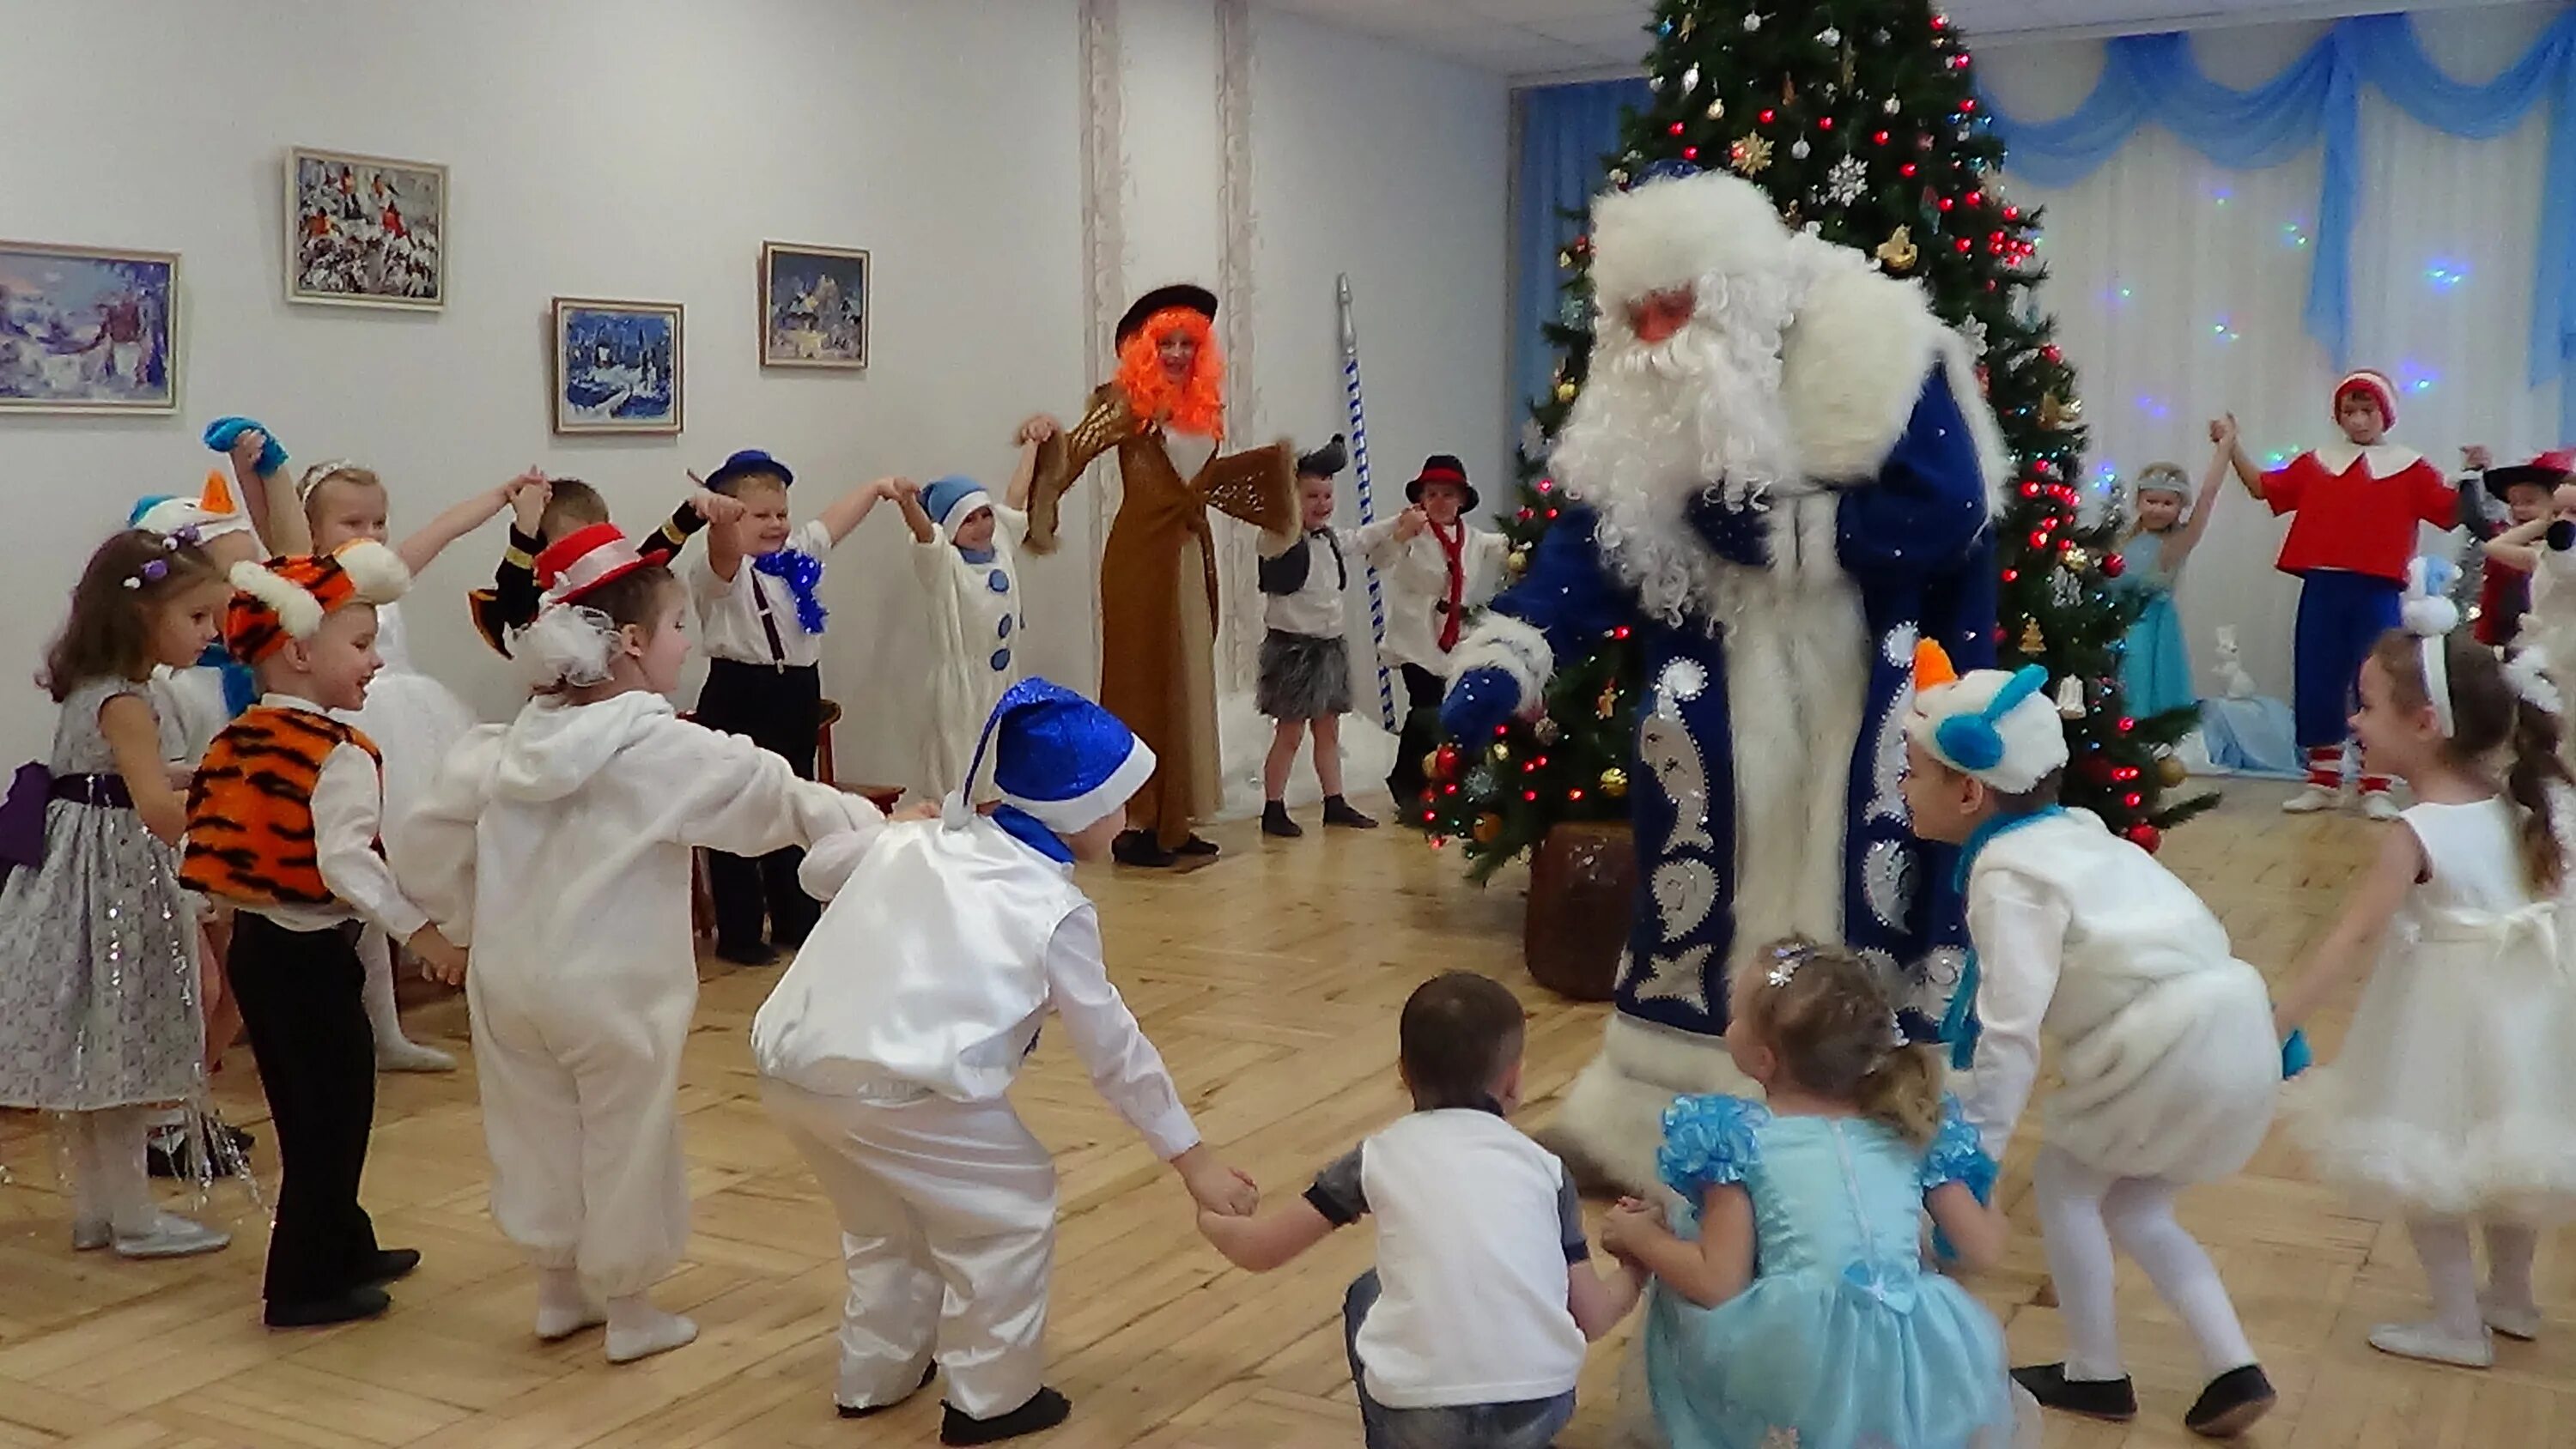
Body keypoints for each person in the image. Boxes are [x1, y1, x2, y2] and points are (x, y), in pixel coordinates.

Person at [1439, 167, 2002, 1197]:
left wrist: (1799, 533)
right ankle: (1659, 1118)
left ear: (1730, 297)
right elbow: (1594, 537)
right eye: (1633, 314)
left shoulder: (1876, 347)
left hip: (1862, 682)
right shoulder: (1645, 390)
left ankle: (1867, 1152)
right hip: (1708, 689)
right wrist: (1514, 645)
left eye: (1673, 308)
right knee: (1693, 897)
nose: (1655, 336)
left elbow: (1950, 511)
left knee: (1858, 902)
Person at [391, 524, 884, 1363]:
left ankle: (557, 1289)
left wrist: (459, 920)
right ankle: (630, 1306)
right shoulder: (664, 749)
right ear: (630, 643)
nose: (690, 641)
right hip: (615, 982)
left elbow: (422, 837)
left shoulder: (506, 744)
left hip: (510, 979)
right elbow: (780, 794)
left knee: (533, 1125)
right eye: (682, 625)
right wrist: (881, 839)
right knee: (629, 1132)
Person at [751, 676, 1255, 1443]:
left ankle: (874, 1372)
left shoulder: (923, 837)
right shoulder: (1051, 908)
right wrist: (1194, 1161)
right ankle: (993, 1398)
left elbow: (814, 872)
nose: (1127, 821)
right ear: (1079, 810)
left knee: (882, 1222)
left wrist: (895, 828)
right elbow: (1114, 1049)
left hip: (792, 1068)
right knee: (1007, 1211)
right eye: (1118, 804)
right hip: (902, 1087)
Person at [1902, 641, 2280, 1435]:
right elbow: (2185, 926)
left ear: (1969, 789)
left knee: (2067, 1185)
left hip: (2163, 1046)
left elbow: (2007, 1034)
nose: (1902, 787)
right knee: (2140, 1208)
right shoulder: (2077, 833)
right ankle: (2231, 1365)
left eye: (1913, 770)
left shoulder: (2010, 875)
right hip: (2236, 1030)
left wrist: (1973, 1159)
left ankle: (2096, 1371)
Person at [2273, 579, 2576, 1367]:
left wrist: (2271, 1025)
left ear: (2425, 723)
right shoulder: (2528, 801)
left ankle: (2454, 1326)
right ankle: (2511, 1298)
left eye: (2366, 707)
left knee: (2426, 1162)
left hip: (2439, 1021)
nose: (2353, 721)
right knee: (2506, 1150)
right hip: (2525, 1016)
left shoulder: (2417, 830)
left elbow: (2349, 941)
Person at [1597, 940, 2032, 1449]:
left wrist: (1640, 1237)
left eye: (1734, 1015)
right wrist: (1988, 1183)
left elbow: (1718, 1282)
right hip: (1914, 1351)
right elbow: (1984, 1249)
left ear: (1762, 1060)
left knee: (1681, 1270)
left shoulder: (1738, 1139)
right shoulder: (1911, 1127)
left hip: (1796, 1353)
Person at [181, 542, 458, 1328]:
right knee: (331, 1115)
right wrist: (425, 934)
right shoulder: (335, 753)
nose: (375, 663)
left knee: (314, 1109)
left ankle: (344, 1240)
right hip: (305, 957)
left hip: (262, 955)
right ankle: (301, 1283)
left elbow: (209, 843)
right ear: (300, 652)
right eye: (361, 646)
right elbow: (348, 866)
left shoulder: (235, 740)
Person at [1194, 970, 1635, 1449]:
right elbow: (1592, 1318)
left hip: (1423, 1417)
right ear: (1512, 1082)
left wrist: (1212, 1218)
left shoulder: (1377, 1155)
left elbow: (1260, 1251)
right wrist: (1638, 1263)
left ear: (1403, 1073)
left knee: (1367, 1293)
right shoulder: (1547, 1170)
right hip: (1538, 1404)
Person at [0, 530, 235, 1259]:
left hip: (78, 871)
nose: (213, 634)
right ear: (142, 616)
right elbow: (154, 810)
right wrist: (227, 813)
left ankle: (101, 1210)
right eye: (198, 618)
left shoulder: (94, 690)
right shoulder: (130, 702)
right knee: (128, 1043)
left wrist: (196, 774)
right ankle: (132, 1216)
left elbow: (117, 778)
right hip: (117, 882)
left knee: (102, 1047)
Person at [1021, 282, 1300, 867]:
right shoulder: (1125, 402)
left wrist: (1270, 486)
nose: (1176, 354)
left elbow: (1201, 476)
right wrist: (1042, 446)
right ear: (1145, 348)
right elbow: (1071, 455)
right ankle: (1135, 824)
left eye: (1186, 343)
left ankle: (1175, 822)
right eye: (1165, 343)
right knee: (1141, 684)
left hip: (1186, 553)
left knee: (1189, 679)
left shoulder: (1200, 408)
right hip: (1139, 560)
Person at [298, 458, 534, 1073]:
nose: (370, 534)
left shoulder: (385, 578)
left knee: (443, 855)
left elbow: (444, 530)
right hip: (359, 731)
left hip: (414, 726)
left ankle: (462, 997)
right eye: (351, 521)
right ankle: (381, 1027)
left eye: (378, 522)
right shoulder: (313, 587)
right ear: (312, 531)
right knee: (370, 876)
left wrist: (500, 494)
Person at [683, 449, 893, 965]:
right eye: (760, 515)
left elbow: (833, 522)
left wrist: (877, 486)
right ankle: (739, 930)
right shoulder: (720, 573)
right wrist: (718, 520)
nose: (776, 524)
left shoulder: (798, 554)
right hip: (741, 691)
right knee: (739, 807)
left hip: (796, 692)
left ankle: (797, 917)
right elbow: (722, 550)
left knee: (795, 802)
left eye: (781, 512)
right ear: (731, 516)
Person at [2221, 373, 2462, 818]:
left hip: (2378, 588)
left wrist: (2476, 473)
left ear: (2384, 413)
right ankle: (2323, 778)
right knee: (2317, 677)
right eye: (2349, 412)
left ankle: (2377, 782)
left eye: (2367, 410)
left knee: (2378, 680)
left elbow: (2452, 509)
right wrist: (2232, 445)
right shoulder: (2318, 462)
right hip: (2323, 584)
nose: (2358, 419)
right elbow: (2263, 487)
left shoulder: (2409, 465)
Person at [888, 443, 1036, 802]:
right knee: (962, 767)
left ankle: (991, 830)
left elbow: (1016, 498)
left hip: (1001, 680)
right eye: (968, 519)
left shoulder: (1000, 545)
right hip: (961, 689)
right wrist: (908, 503)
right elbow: (926, 535)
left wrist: (1033, 444)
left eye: (985, 514)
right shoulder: (944, 566)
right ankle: (956, 833)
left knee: (1000, 764)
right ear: (951, 526)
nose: (982, 525)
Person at [1255, 434, 1383, 837]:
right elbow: (1274, 527)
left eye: (1327, 495)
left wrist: (1400, 526)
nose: (1323, 504)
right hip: (1293, 651)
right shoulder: (1278, 539)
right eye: (1312, 495)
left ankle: (1335, 801)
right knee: (1290, 733)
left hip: (1329, 648)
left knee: (1328, 729)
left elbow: (1361, 539)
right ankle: (1273, 807)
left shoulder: (1330, 539)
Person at [468, 475, 744, 655]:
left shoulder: (614, 579)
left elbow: (654, 550)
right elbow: (513, 601)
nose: (591, 555)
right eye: (574, 546)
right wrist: (525, 530)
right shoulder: (539, 600)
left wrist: (693, 512)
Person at [1376, 454, 1510, 809]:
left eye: (1447, 494)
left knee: (1451, 707)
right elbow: (1381, 559)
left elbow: (1507, 546)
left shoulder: (1474, 538)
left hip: (1454, 638)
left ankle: (1445, 778)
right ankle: (1406, 781)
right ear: (1420, 499)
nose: (1439, 501)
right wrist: (1401, 534)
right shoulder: (1412, 535)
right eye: (1431, 493)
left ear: (1462, 500)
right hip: (1416, 637)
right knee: (1425, 707)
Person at [2117, 429, 2228, 722]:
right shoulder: (2120, 539)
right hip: (2113, 619)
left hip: (2149, 622)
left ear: (2180, 507)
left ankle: (2141, 729)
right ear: (2138, 501)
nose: (2158, 509)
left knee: (2139, 672)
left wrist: (2225, 449)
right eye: (2151, 501)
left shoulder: (2178, 542)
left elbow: (2207, 496)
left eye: (2168, 503)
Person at [2470, 448, 2576, 648]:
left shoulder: (2551, 555)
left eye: (2529, 501)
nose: (2518, 509)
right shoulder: (2521, 545)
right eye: (2513, 503)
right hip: (2502, 639)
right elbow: (2491, 544)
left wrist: (2551, 520)